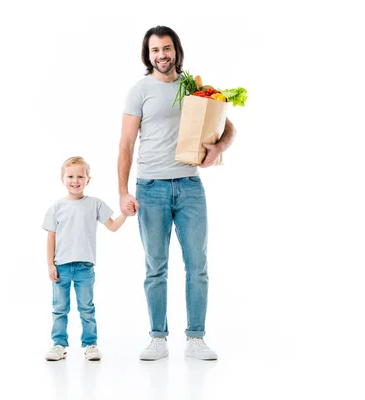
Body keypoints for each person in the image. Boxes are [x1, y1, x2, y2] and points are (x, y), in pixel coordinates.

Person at [118, 26, 237, 361]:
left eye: (167, 48)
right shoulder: (139, 91)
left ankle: (196, 338)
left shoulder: (193, 87)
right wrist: (122, 191)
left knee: (197, 265)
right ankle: (158, 338)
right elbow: (126, 145)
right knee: (156, 267)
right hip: (150, 188)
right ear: (148, 55)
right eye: (155, 50)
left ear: (176, 50)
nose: (162, 55)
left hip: (189, 186)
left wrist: (218, 148)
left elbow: (227, 125)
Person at [42, 156, 130, 361]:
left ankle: (90, 344)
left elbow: (112, 226)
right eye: (70, 176)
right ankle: (59, 344)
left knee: (86, 308)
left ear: (88, 180)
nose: (75, 180)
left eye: (80, 176)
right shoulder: (57, 207)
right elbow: (51, 236)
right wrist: (50, 264)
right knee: (60, 308)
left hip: (85, 267)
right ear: (62, 179)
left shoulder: (95, 204)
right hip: (61, 266)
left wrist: (125, 214)